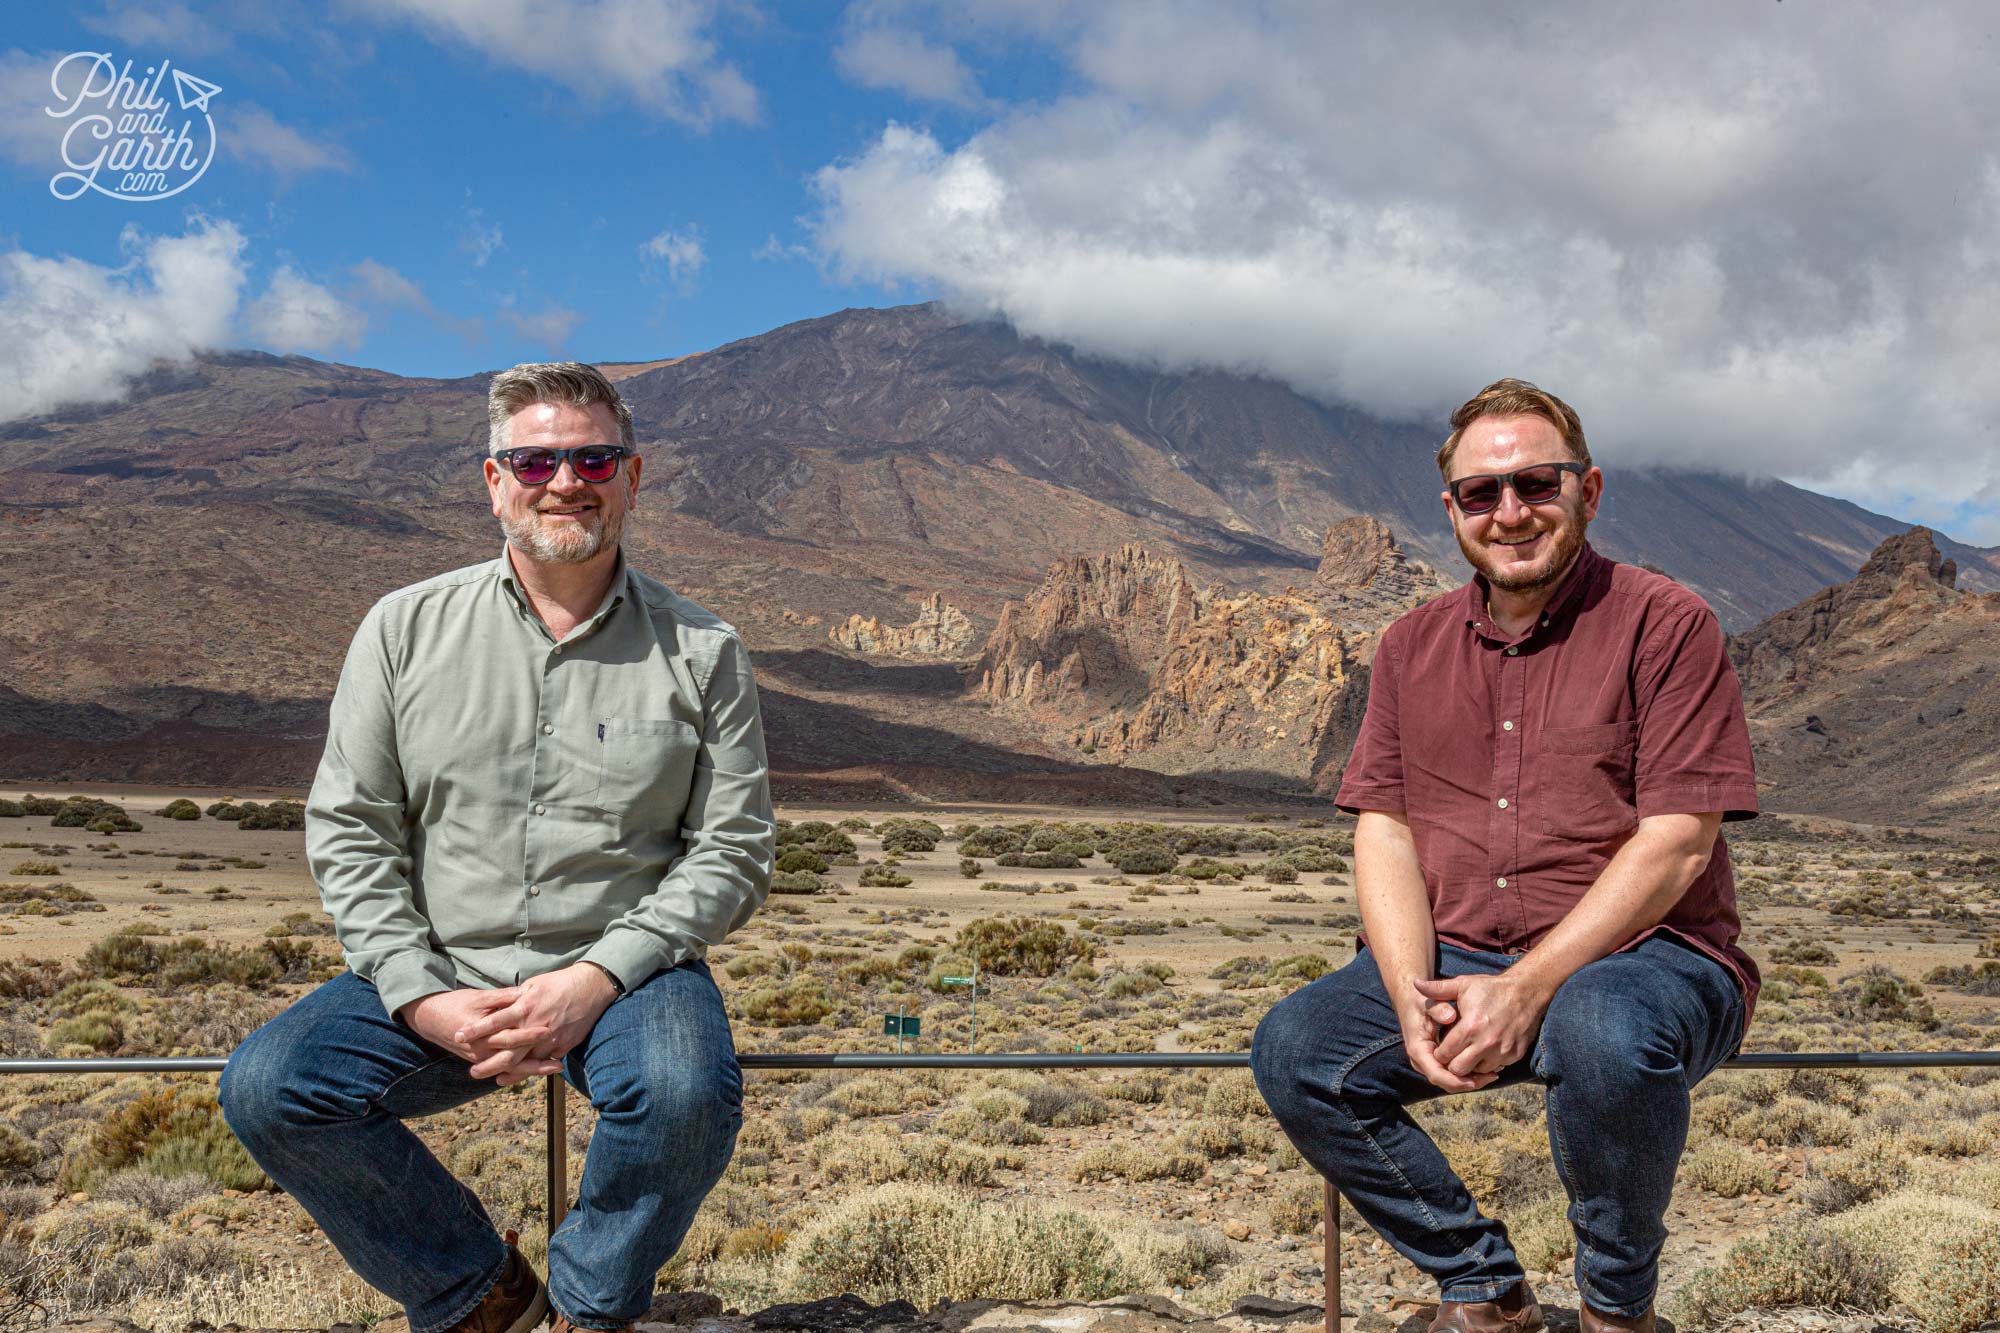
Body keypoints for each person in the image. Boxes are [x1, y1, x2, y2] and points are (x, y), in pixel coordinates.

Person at [221, 361, 776, 1333]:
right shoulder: (402, 630)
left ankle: (589, 1309)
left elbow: (731, 850)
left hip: (624, 980)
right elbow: (350, 826)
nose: (565, 480)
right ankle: (479, 1298)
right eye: (536, 459)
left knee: (687, 1088)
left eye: (592, 457)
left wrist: (596, 978)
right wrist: (421, 993)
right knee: (272, 1085)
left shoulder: (702, 651)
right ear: (494, 479)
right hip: (442, 973)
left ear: (632, 475)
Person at [1251, 379, 1759, 1333]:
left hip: (1650, 957)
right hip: (1461, 955)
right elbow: (1385, 825)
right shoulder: (1409, 646)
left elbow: (1681, 838)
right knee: (1298, 1048)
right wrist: (1407, 988)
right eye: (1483, 493)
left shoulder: (1667, 623)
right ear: (1453, 510)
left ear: (1590, 490)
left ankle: (1617, 1311)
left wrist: (1526, 988)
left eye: (1537, 483)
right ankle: (1482, 1288)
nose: (1511, 512)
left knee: (1601, 1030)